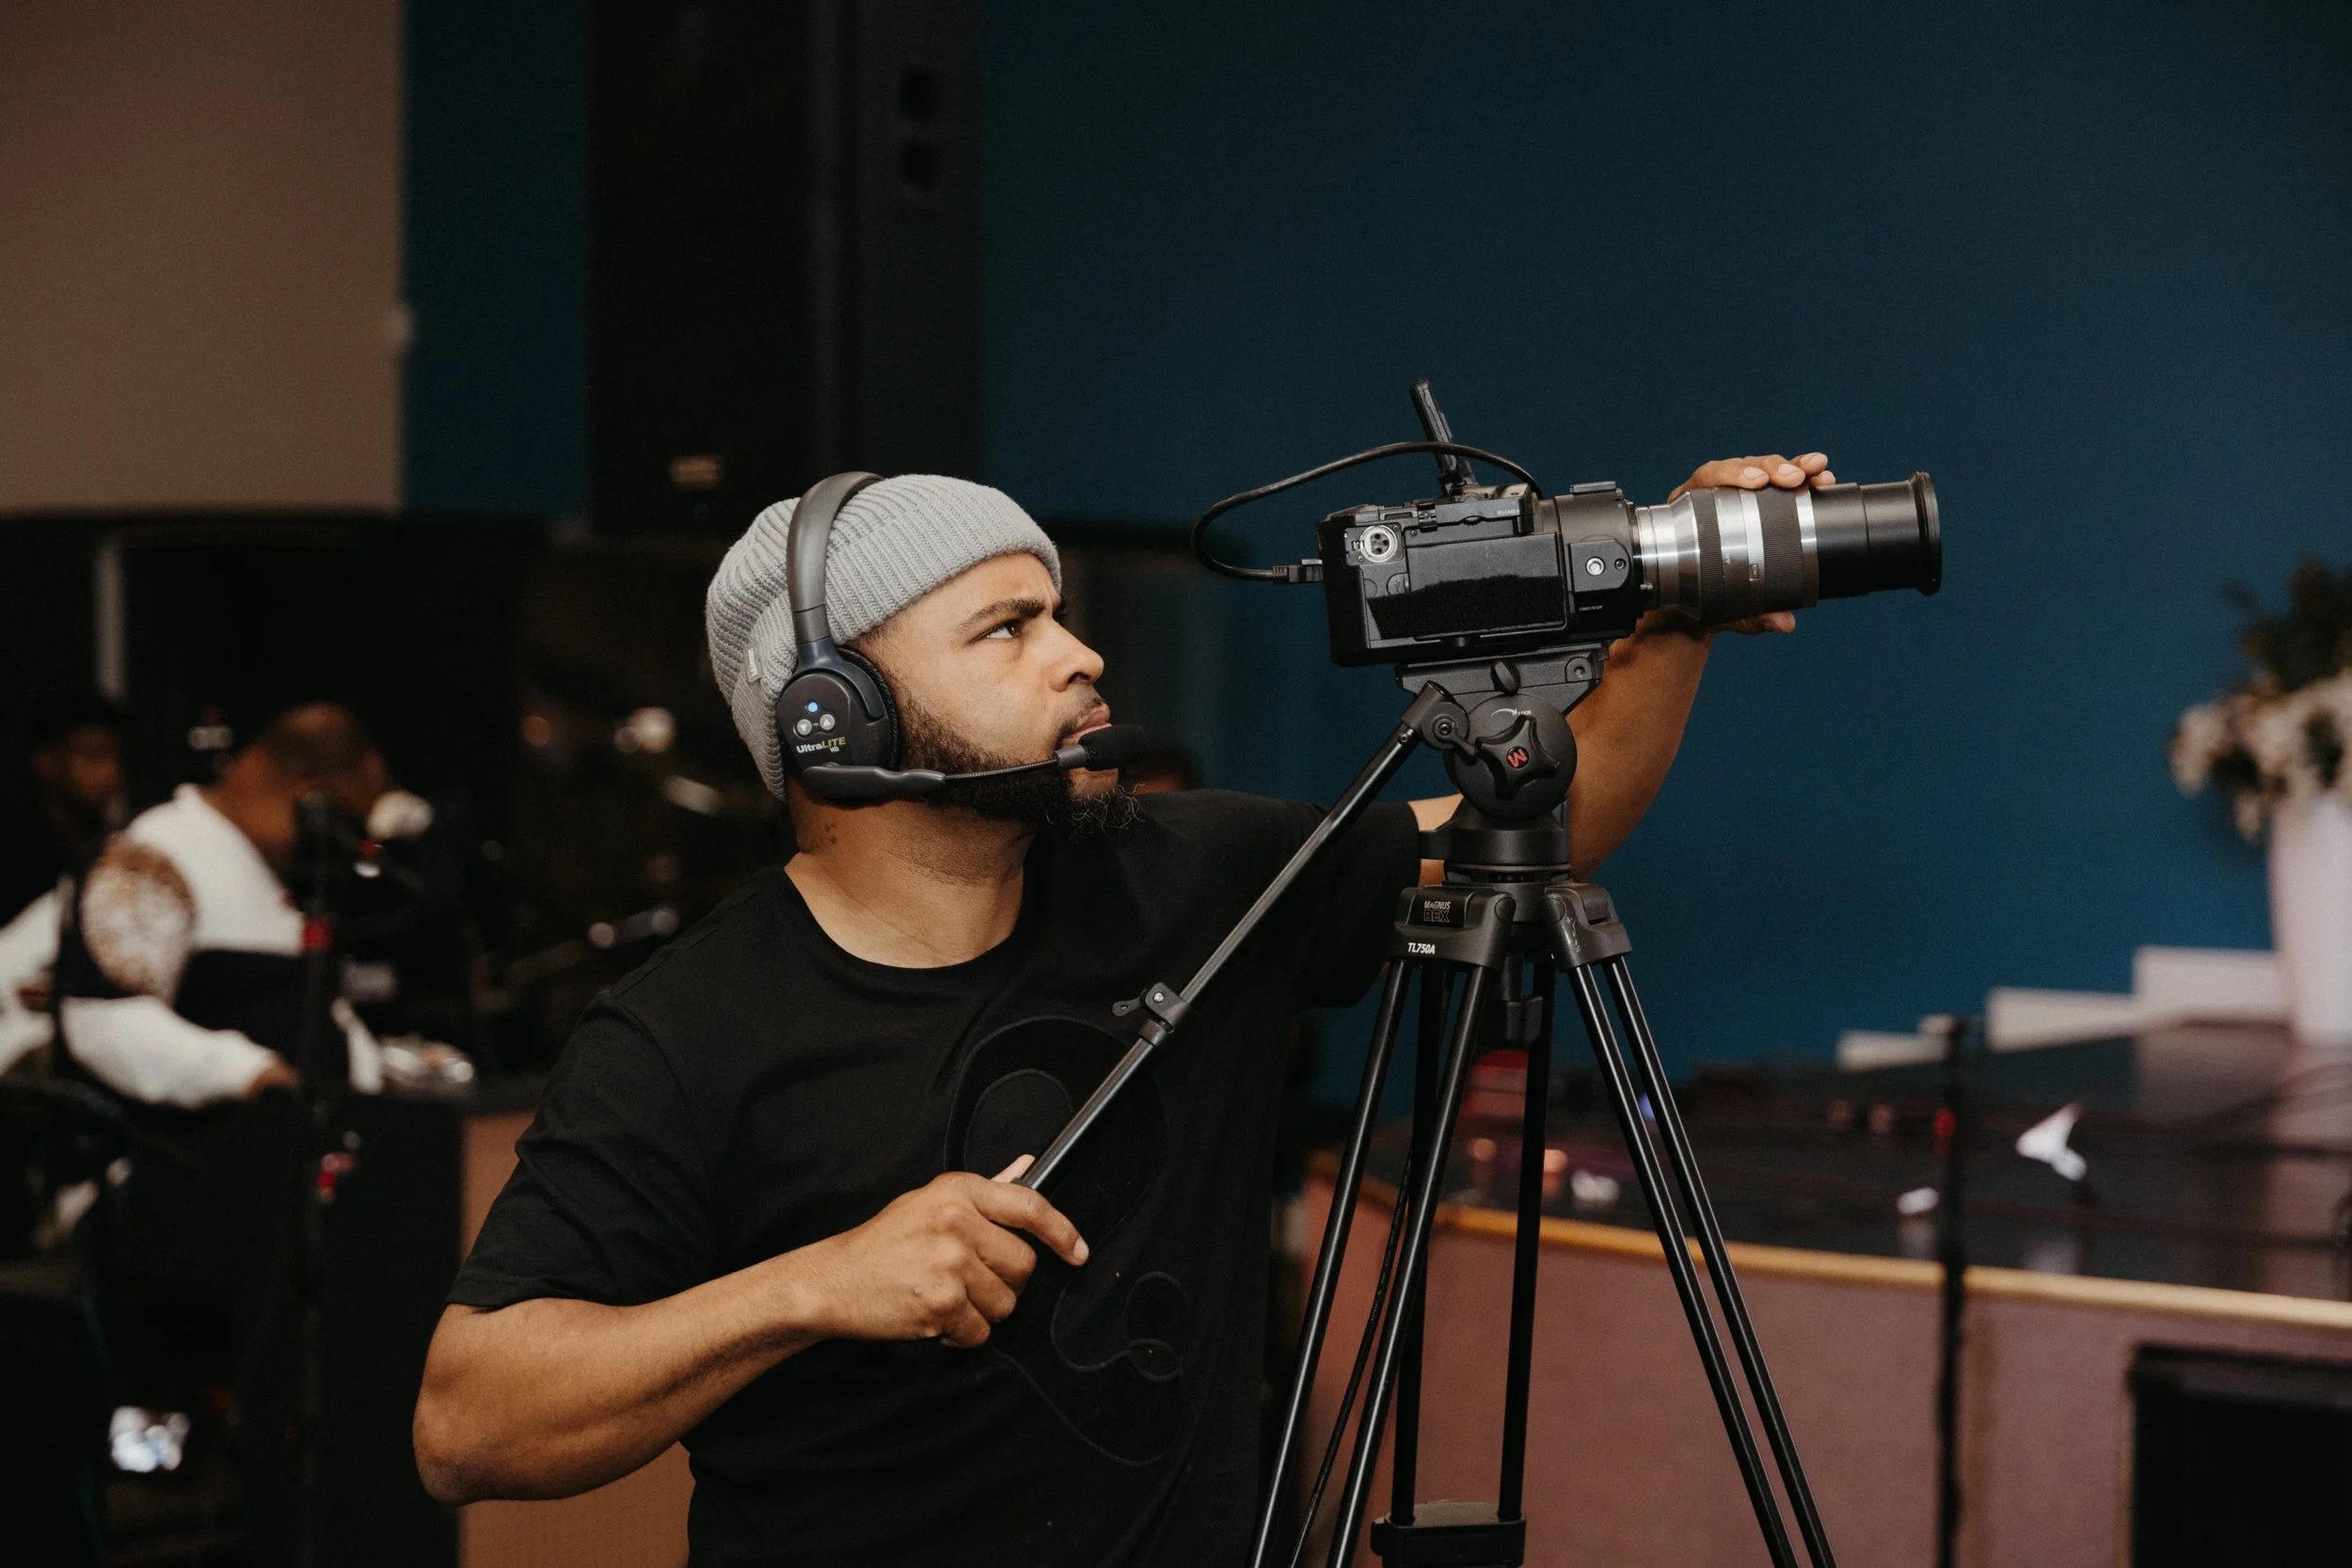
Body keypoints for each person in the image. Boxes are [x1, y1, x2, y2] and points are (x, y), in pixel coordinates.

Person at [415, 455, 1836, 1565]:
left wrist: (1675, 615)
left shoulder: (1188, 869)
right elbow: (468, 1416)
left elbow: (1536, 823)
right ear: (830, 719)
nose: (1079, 655)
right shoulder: (689, 1029)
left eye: (1062, 612)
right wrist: (811, 1284)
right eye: (1006, 628)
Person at [52, 703, 392, 1106]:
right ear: (308, 796)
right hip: (175, 1158)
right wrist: (251, 1075)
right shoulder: (155, 854)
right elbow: (104, 1020)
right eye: (349, 823)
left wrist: (370, 1079)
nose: (351, 843)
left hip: (295, 1153)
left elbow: (315, 1015)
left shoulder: (282, 876)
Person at [0, 691, 126, 921]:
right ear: (46, 761)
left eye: (115, 757)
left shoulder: (113, 844)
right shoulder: (12, 848)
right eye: (92, 756)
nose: (109, 771)